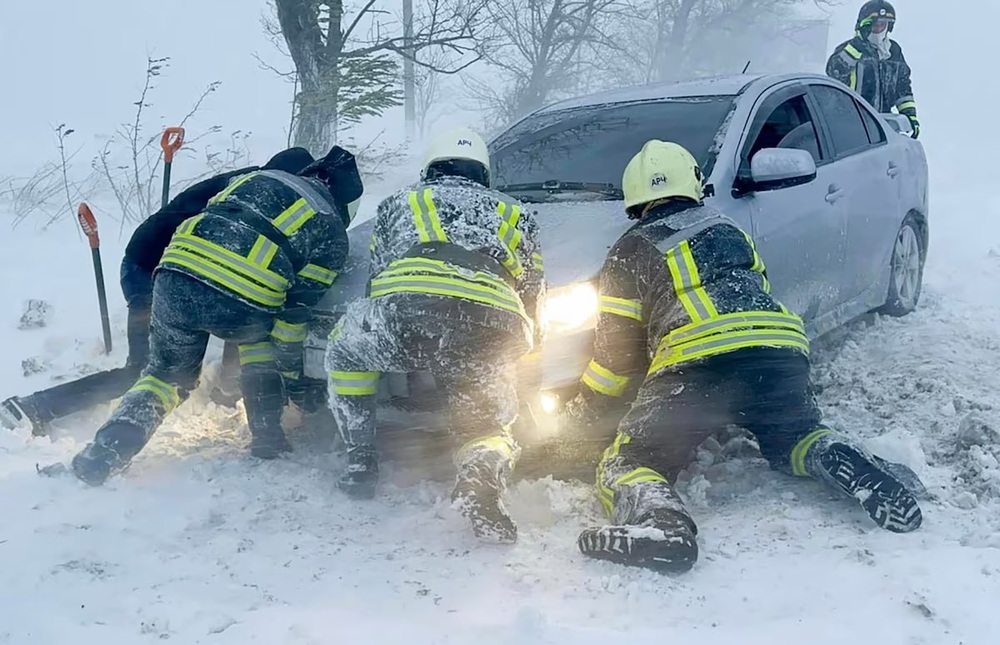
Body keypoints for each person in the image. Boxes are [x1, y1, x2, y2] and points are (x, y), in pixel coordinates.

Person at [558, 139, 924, 574]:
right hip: (780, 350)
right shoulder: (729, 230)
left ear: (636, 197)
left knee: (630, 461)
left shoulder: (630, 250)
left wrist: (582, 415)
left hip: (697, 364)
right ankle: (839, 457)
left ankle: (663, 527)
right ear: (691, 184)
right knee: (794, 437)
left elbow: (614, 363)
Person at [67, 144, 363, 486]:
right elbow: (293, 318)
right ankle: (268, 438)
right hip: (241, 299)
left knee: (164, 377)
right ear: (344, 202)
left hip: (173, 278)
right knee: (258, 344)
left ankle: (106, 451)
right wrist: (295, 379)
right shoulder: (331, 230)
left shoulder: (254, 179)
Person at [324, 126, 546, 543]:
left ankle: (361, 460)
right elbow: (533, 297)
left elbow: (379, 279)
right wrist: (520, 356)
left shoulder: (401, 202)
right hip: (491, 322)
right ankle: (481, 475)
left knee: (345, 351)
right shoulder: (518, 213)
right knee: (488, 424)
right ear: (483, 173)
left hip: (409, 310)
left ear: (430, 168)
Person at [0, 148, 317, 436]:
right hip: (150, 271)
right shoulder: (256, 195)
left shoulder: (254, 186)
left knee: (244, 308)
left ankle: (225, 391)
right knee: (143, 371)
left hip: (185, 271)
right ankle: (33, 407)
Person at [826, 1, 919, 138]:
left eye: (883, 25)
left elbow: (903, 88)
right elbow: (834, 72)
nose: (879, 29)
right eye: (875, 25)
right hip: (850, 124)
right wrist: (855, 48)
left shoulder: (894, 51)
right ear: (865, 26)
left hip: (883, 126)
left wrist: (910, 115)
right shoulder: (849, 49)